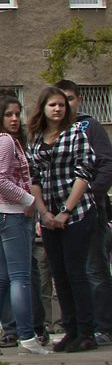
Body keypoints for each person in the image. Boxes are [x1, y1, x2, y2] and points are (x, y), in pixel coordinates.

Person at [27, 84, 100, 352]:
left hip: (77, 213)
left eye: (61, 104)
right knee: (59, 273)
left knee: (75, 271)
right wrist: (44, 212)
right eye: (52, 105)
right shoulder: (35, 139)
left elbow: (84, 173)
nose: (58, 109)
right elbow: (33, 177)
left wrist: (66, 211)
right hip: (48, 215)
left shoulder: (76, 134)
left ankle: (86, 331)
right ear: (43, 109)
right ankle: (70, 329)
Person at [0, 93, 48, 355]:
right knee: (20, 278)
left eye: (18, 113)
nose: (16, 119)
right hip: (9, 214)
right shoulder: (5, 142)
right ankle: (28, 337)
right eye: (9, 114)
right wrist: (28, 199)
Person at [54, 80, 112, 345]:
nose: (64, 106)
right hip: (58, 217)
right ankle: (76, 328)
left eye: (69, 99)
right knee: (68, 273)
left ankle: (103, 327)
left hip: (89, 212)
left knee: (94, 270)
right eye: (57, 101)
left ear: (78, 100)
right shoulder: (51, 132)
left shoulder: (89, 127)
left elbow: (106, 165)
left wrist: (88, 197)